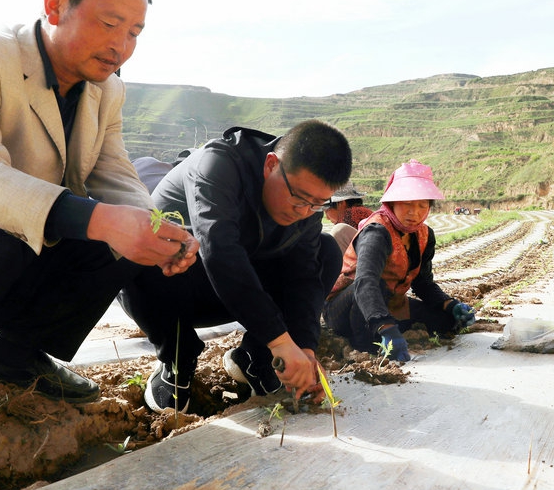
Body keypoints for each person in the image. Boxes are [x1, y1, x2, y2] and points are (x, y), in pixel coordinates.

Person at [0, 0, 198, 465]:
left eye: (135, 33)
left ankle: (13, 358)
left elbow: (113, 174)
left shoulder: (105, 91)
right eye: (110, 23)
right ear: (55, 5)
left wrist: (156, 229)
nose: (122, 46)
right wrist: (101, 219)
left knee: (116, 242)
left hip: (14, 245)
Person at [121, 120, 352, 412]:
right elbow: (219, 252)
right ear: (271, 165)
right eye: (299, 197)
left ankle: (254, 358)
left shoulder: (306, 208)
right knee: (133, 248)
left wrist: (304, 346)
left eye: (317, 203)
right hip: (176, 288)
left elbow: (303, 276)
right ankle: (177, 357)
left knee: (326, 251)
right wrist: (280, 341)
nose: (304, 211)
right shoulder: (217, 164)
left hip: (244, 295)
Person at [324, 160, 476, 362]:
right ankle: (366, 344)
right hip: (347, 305)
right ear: (392, 203)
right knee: (375, 288)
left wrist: (450, 305)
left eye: (422, 205)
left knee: (446, 321)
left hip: (389, 301)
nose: (415, 213)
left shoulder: (423, 234)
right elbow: (365, 282)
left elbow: (423, 283)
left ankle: (387, 327)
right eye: (407, 204)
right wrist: (386, 326)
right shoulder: (376, 232)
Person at [324, 181, 373, 254]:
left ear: (340, 203)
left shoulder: (350, 215)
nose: (327, 218)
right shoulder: (362, 211)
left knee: (339, 231)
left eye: (326, 210)